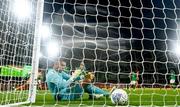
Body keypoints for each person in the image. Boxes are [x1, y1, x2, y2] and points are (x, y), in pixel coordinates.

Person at [46, 59, 110, 101]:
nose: (64, 67)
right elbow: (63, 85)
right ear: (55, 64)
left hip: (66, 91)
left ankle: (105, 94)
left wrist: (84, 76)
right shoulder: (52, 74)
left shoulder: (60, 72)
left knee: (86, 80)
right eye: (62, 65)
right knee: (85, 82)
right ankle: (96, 94)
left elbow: (71, 77)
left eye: (64, 66)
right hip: (60, 96)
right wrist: (74, 78)